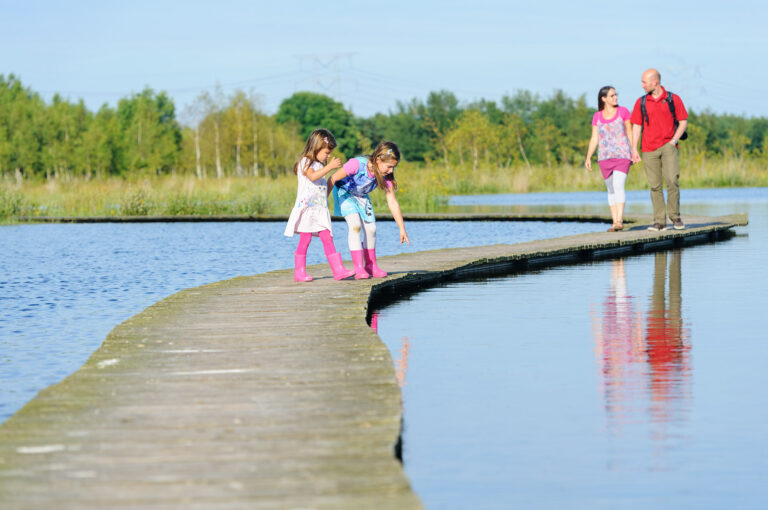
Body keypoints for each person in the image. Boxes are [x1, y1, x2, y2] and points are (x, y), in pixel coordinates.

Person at [327, 141, 410, 279]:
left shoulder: (385, 176)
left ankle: (370, 265)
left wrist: (402, 228)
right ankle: (358, 267)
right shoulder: (357, 164)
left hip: (361, 197)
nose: (391, 171)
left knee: (371, 229)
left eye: (393, 167)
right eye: (389, 166)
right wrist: (323, 203)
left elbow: (392, 202)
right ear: (378, 160)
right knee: (355, 226)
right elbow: (333, 178)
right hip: (344, 193)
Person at [283, 128, 355, 282]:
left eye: (329, 153)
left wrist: (332, 180)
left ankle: (338, 270)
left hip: (319, 209)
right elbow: (312, 177)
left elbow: (321, 189)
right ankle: (299, 272)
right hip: (307, 208)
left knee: (327, 237)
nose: (328, 156)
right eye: (326, 153)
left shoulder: (320, 166)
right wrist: (330, 167)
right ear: (315, 148)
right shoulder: (305, 162)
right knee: (305, 239)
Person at [630, 69, 688, 231]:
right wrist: (634, 149)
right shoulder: (640, 102)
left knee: (672, 180)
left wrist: (673, 141)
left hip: (668, 146)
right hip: (648, 148)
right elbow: (637, 126)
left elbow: (683, 121)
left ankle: (675, 217)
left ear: (654, 82)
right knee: (655, 186)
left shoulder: (673, 99)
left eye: (644, 82)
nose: (642, 85)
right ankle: (659, 221)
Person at [585, 86, 633, 231]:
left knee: (618, 185)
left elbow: (629, 131)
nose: (615, 97)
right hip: (604, 157)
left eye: (616, 95)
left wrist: (634, 150)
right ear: (603, 99)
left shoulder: (623, 111)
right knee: (611, 189)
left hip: (622, 154)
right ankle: (614, 221)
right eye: (612, 96)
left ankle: (619, 220)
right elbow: (594, 138)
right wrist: (588, 157)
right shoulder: (597, 116)